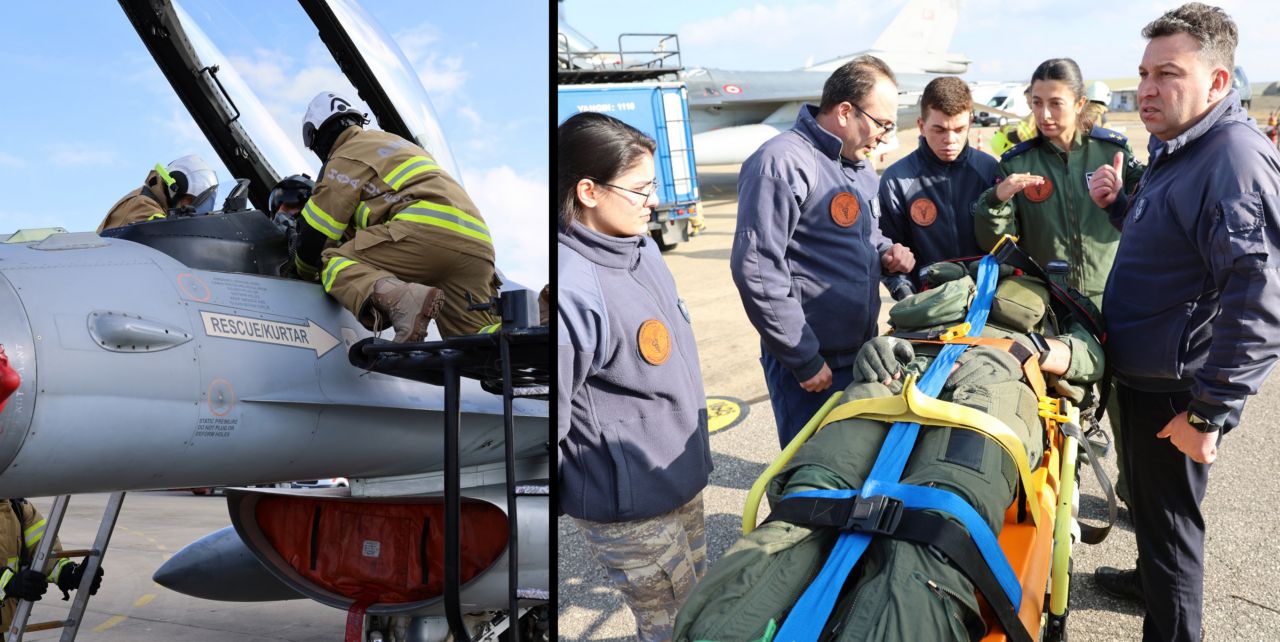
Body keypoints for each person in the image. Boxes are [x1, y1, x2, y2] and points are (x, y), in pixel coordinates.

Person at [675, 259, 1105, 641]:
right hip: (896, 374)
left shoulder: (1061, 302)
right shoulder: (944, 278)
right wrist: (876, 350)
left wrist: (1037, 350)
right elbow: (896, 323)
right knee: (810, 498)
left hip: (991, 384)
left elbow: (1092, 358)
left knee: (940, 522)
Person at [1086, 5, 1280, 640]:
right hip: (1145, 374)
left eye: (1167, 73)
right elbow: (1172, 240)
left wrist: (1209, 412)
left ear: (1218, 83)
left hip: (1178, 390)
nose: (1146, 89)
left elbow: (1260, 298)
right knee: (1151, 513)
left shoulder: (1234, 161)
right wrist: (1120, 207)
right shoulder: (1180, 145)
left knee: (1171, 529)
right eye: (1143, 73)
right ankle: (1148, 581)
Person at [558, 112, 713, 642]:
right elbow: (544, 417)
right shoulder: (573, 289)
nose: (653, 200)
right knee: (670, 625)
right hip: (631, 507)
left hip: (678, 477)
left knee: (699, 604)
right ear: (588, 191)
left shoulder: (641, 247)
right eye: (641, 189)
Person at [731, 56, 916, 447]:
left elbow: (867, 235)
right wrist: (804, 358)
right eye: (883, 123)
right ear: (846, 111)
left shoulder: (860, 167)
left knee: (851, 465)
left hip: (860, 352)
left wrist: (888, 253)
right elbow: (758, 269)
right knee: (808, 479)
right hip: (813, 364)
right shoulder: (781, 163)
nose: (886, 135)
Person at [293, 91, 499, 342]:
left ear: (319, 135)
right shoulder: (394, 144)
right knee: (476, 342)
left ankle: (405, 302)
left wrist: (301, 271)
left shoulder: (345, 155)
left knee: (333, 262)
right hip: (478, 246)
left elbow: (317, 235)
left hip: (426, 236)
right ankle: (544, 317)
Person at [973, 58, 1144, 310]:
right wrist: (995, 201)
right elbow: (995, 245)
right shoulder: (1016, 164)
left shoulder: (1113, 152)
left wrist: (1121, 198)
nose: (1044, 115)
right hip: (1050, 304)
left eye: (1055, 104)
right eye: (1037, 103)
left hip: (1115, 297)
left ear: (1079, 103)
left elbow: (1151, 219)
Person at [879, 76, 998, 296]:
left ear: (970, 123)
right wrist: (907, 297)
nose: (950, 139)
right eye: (939, 130)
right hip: (928, 308)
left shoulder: (990, 170)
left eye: (960, 129)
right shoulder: (897, 180)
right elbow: (889, 253)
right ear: (921, 126)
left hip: (987, 306)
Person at [0, 499, 103, 629]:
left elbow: (44, 554)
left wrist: (70, 573)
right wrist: (8, 583)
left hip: (8, 627)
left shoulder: (19, 508)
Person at [97, 154, 218, 233]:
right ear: (175, 189)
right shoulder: (142, 204)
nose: (190, 209)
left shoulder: (156, 204)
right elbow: (163, 233)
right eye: (190, 200)